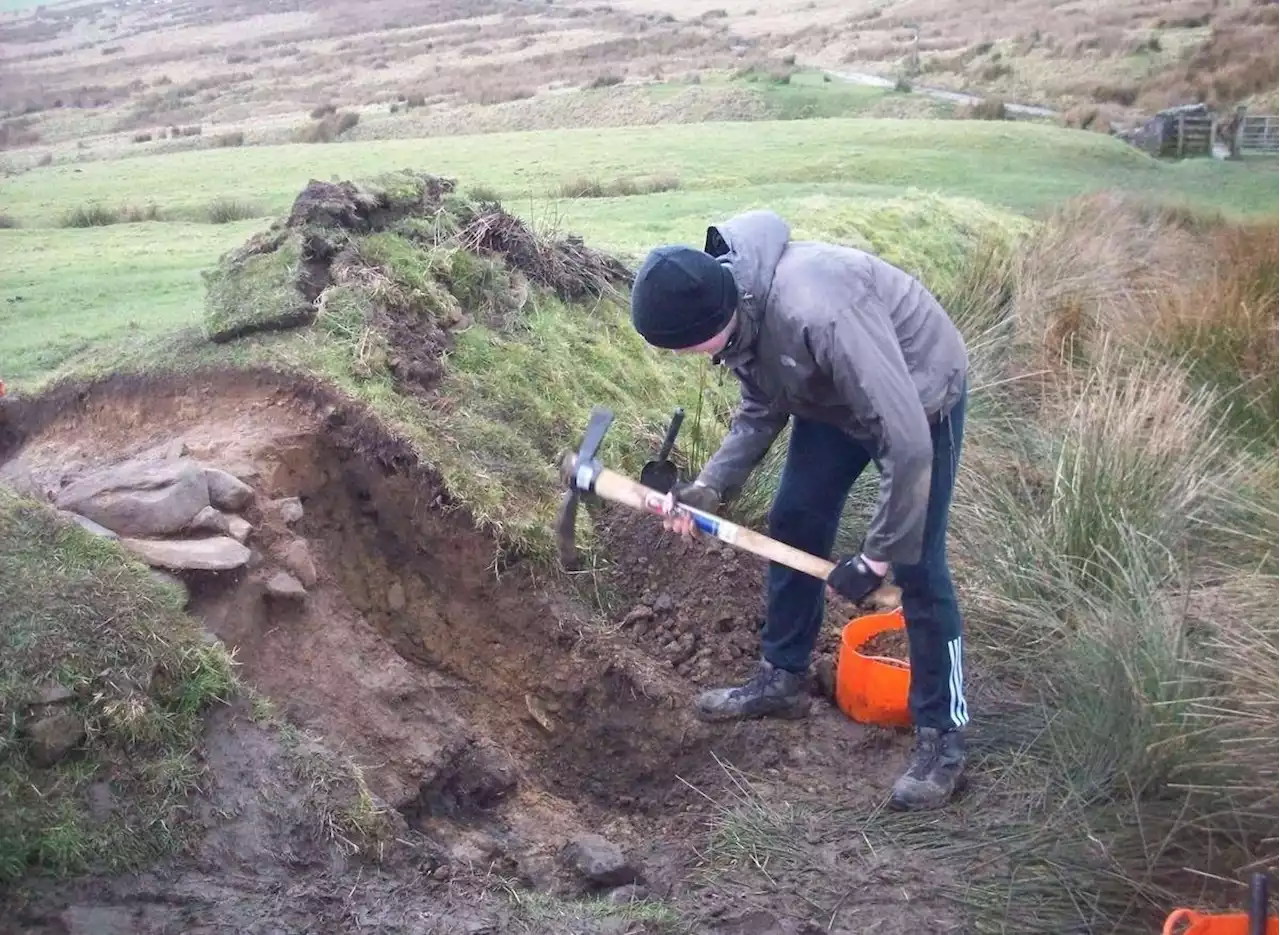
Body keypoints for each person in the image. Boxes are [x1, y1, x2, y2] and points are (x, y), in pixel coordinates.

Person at [628, 209, 970, 812]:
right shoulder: (740, 308)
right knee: (795, 521)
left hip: (917, 396)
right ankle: (782, 677)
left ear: (715, 317)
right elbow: (763, 405)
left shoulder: (819, 311)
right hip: (833, 399)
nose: (681, 357)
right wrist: (711, 487)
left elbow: (907, 443)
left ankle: (943, 736)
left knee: (918, 565)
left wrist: (876, 555)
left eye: (682, 346)